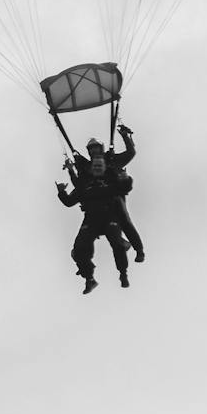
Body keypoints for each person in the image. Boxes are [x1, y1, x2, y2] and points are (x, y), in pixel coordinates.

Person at [56, 123, 141, 292]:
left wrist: (125, 136)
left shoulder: (112, 163)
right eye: (91, 150)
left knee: (118, 238)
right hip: (92, 213)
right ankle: (89, 277)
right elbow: (77, 190)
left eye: (96, 149)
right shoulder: (86, 172)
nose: (94, 153)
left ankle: (125, 266)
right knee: (79, 250)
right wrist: (67, 182)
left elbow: (130, 153)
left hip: (112, 208)